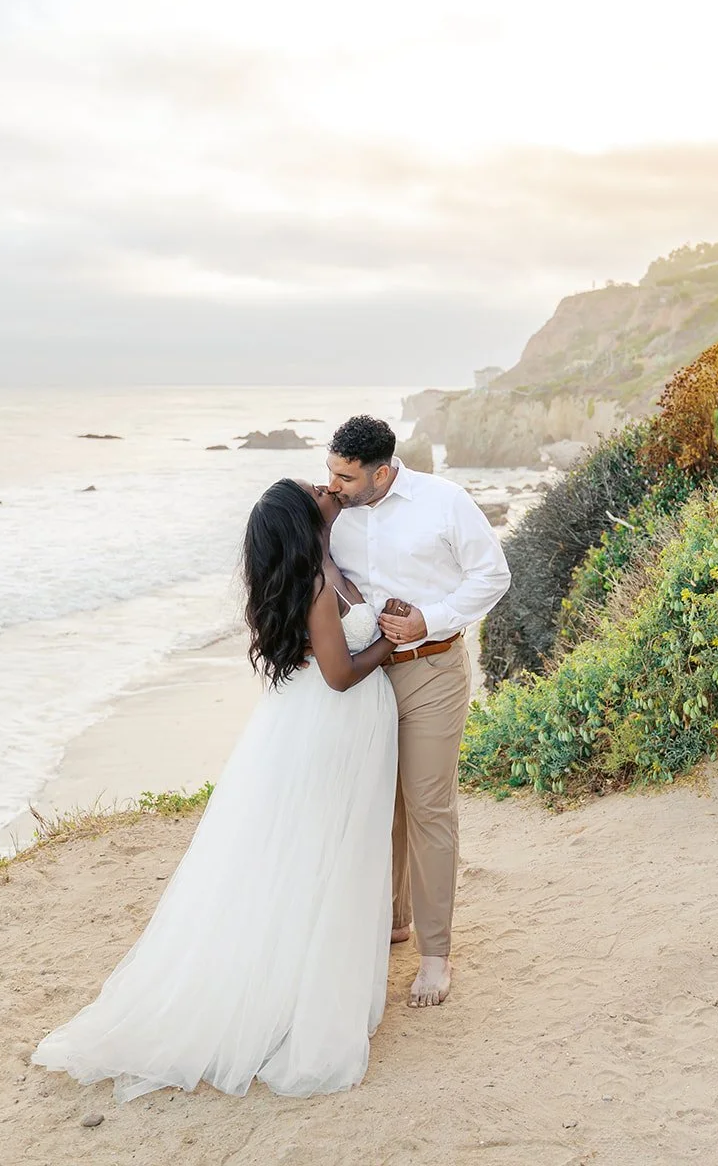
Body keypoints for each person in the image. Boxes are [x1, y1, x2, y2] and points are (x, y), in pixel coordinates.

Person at [31, 478, 399, 1100]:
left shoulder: (323, 562)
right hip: (330, 726)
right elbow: (338, 675)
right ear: (301, 519)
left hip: (332, 730)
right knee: (318, 858)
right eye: (313, 489)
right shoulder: (312, 583)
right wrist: (392, 642)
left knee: (326, 855)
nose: (322, 485)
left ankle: (307, 977)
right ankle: (294, 996)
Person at [326, 415, 511, 1009]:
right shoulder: (332, 510)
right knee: (384, 800)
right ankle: (395, 920)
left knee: (429, 806)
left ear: (382, 473)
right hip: (366, 677)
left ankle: (435, 955)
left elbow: (494, 575)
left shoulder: (444, 501)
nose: (333, 484)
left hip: (432, 670)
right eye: (330, 470)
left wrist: (428, 619)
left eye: (346, 476)